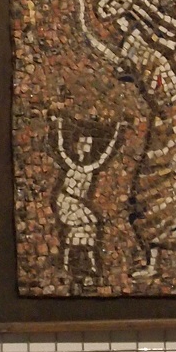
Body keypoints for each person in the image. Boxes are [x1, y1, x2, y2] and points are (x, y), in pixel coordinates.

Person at [77, 0, 176, 282]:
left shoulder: (148, 31)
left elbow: (161, 9)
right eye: (105, 3)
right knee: (153, 185)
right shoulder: (127, 46)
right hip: (167, 119)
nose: (108, 5)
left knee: (159, 182)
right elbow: (100, 46)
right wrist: (82, 13)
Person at [52, 115, 122, 285]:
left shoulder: (90, 168)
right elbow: (61, 149)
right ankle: (69, 262)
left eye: (89, 144)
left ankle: (83, 263)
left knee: (90, 225)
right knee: (87, 222)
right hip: (66, 200)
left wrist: (117, 132)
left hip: (78, 203)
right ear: (77, 145)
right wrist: (59, 124)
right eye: (83, 143)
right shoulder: (73, 165)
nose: (86, 147)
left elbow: (105, 156)